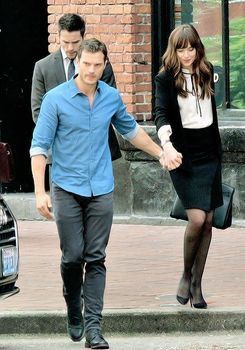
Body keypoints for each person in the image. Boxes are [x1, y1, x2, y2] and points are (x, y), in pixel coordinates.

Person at [30, 38, 164, 349]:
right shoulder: (56, 99)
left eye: (97, 65)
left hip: (101, 187)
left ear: (104, 65)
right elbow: (39, 147)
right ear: (77, 63)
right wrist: (39, 191)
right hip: (66, 187)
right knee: (73, 256)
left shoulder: (111, 97)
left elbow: (130, 130)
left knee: (96, 257)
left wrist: (160, 154)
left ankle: (94, 328)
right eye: (86, 64)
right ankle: (72, 304)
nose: (91, 70)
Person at [154, 24, 223, 309]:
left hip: (210, 151)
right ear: (174, 49)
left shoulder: (207, 72)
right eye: (181, 49)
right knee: (196, 219)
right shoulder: (165, 78)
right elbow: (160, 113)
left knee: (208, 222)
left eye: (191, 48)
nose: (186, 54)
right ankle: (185, 274)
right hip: (183, 154)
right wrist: (166, 145)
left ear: (197, 48)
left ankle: (198, 283)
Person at [31, 13, 121, 162]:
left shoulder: (100, 65)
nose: (70, 48)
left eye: (75, 42)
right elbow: (38, 112)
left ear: (83, 37)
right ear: (58, 36)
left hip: (99, 151)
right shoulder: (43, 67)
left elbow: (107, 105)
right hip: (60, 152)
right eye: (65, 42)